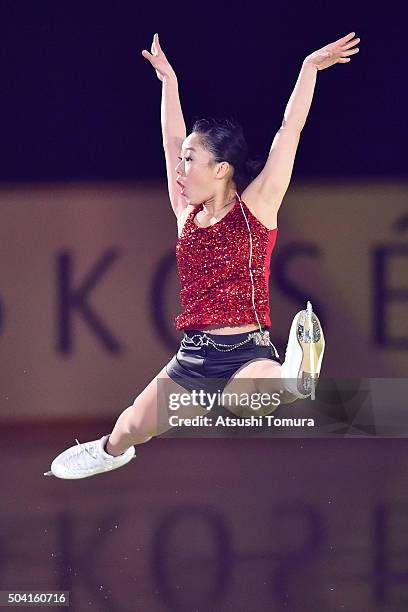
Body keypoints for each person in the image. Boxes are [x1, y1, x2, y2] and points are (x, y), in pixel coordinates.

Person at [44, 31, 360, 479]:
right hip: (195, 356)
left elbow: (290, 131)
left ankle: (295, 373)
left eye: (191, 160)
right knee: (133, 425)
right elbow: (171, 137)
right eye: (182, 160)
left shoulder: (258, 208)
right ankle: (107, 450)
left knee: (246, 396)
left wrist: (308, 69)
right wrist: (168, 82)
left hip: (248, 350)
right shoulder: (184, 213)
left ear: (221, 169)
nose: (180, 166)